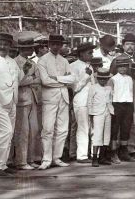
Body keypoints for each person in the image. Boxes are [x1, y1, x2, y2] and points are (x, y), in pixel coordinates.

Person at [37, 33, 73, 170]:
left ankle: (56, 157)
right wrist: (63, 81)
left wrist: (57, 78)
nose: (56, 47)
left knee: (63, 129)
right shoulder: (42, 60)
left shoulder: (64, 61)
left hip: (63, 97)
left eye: (59, 44)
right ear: (49, 45)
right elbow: (45, 81)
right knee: (47, 129)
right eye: (53, 44)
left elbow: (73, 79)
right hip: (49, 98)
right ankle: (46, 159)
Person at [13, 37, 41, 170]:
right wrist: (31, 78)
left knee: (34, 130)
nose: (31, 50)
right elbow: (19, 82)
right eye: (28, 48)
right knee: (22, 132)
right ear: (21, 49)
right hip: (21, 100)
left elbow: (39, 79)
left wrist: (30, 79)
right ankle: (21, 161)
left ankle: (31, 158)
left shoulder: (32, 62)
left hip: (33, 98)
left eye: (31, 47)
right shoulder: (15, 63)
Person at [69, 42, 95, 164]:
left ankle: (79, 153)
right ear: (81, 54)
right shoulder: (73, 66)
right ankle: (82, 155)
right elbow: (75, 87)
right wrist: (86, 76)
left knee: (89, 128)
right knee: (82, 128)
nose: (92, 55)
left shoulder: (90, 66)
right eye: (89, 52)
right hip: (80, 100)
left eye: (92, 52)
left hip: (90, 101)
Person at [0, 32, 20, 177]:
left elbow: (20, 79)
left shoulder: (12, 61)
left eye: (5, 44)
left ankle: (3, 164)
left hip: (12, 101)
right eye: (0, 43)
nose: (2, 46)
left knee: (9, 133)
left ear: (9, 46)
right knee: (5, 132)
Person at [107, 54, 133, 163]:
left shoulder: (130, 78)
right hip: (116, 105)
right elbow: (109, 94)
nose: (123, 68)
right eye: (120, 66)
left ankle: (124, 152)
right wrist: (111, 107)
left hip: (128, 105)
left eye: (125, 66)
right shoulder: (113, 79)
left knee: (126, 129)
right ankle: (113, 153)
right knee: (114, 130)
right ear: (116, 67)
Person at [87, 67, 113, 167]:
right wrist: (90, 115)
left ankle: (103, 157)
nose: (103, 80)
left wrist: (111, 111)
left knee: (106, 135)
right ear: (97, 78)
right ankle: (95, 158)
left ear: (107, 79)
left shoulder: (109, 88)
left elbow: (110, 100)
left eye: (105, 79)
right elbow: (89, 102)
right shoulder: (93, 88)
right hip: (97, 113)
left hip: (107, 112)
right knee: (97, 135)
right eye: (101, 78)